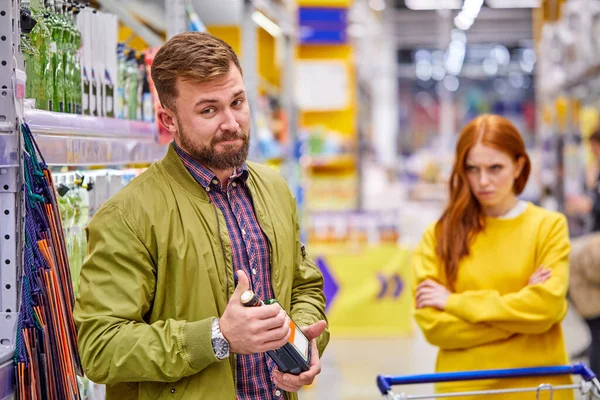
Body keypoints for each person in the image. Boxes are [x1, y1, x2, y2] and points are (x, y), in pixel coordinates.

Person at [74, 32, 329, 400]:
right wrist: (218, 337)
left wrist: (303, 338)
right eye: (208, 110)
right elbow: (99, 348)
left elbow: (304, 286)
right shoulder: (128, 215)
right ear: (169, 119)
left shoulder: (274, 189)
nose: (231, 123)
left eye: (237, 102)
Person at [412, 114, 573, 399]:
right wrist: (525, 314)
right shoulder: (440, 235)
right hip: (464, 390)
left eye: (495, 167)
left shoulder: (548, 227)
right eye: (473, 169)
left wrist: (454, 302)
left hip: (537, 388)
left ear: (518, 165)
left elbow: (546, 307)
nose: (483, 181)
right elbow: (436, 328)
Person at [569, 233, 600, 375]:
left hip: (586, 297)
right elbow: (594, 271)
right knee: (598, 339)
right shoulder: (595, 246)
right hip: (589, 301)